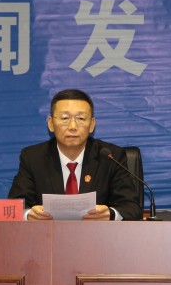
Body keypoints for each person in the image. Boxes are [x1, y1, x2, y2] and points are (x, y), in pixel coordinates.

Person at [8, 89, 142, 221]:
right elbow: (15, 206)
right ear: (51, 123)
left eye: (81, 118)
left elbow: (132, 208)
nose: (72, 126)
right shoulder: (33, 158)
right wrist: (29, 215)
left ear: (92, 125)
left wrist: (110, 214)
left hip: (97, 234)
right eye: (65, 118)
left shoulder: (111, 157)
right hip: (48, 234)